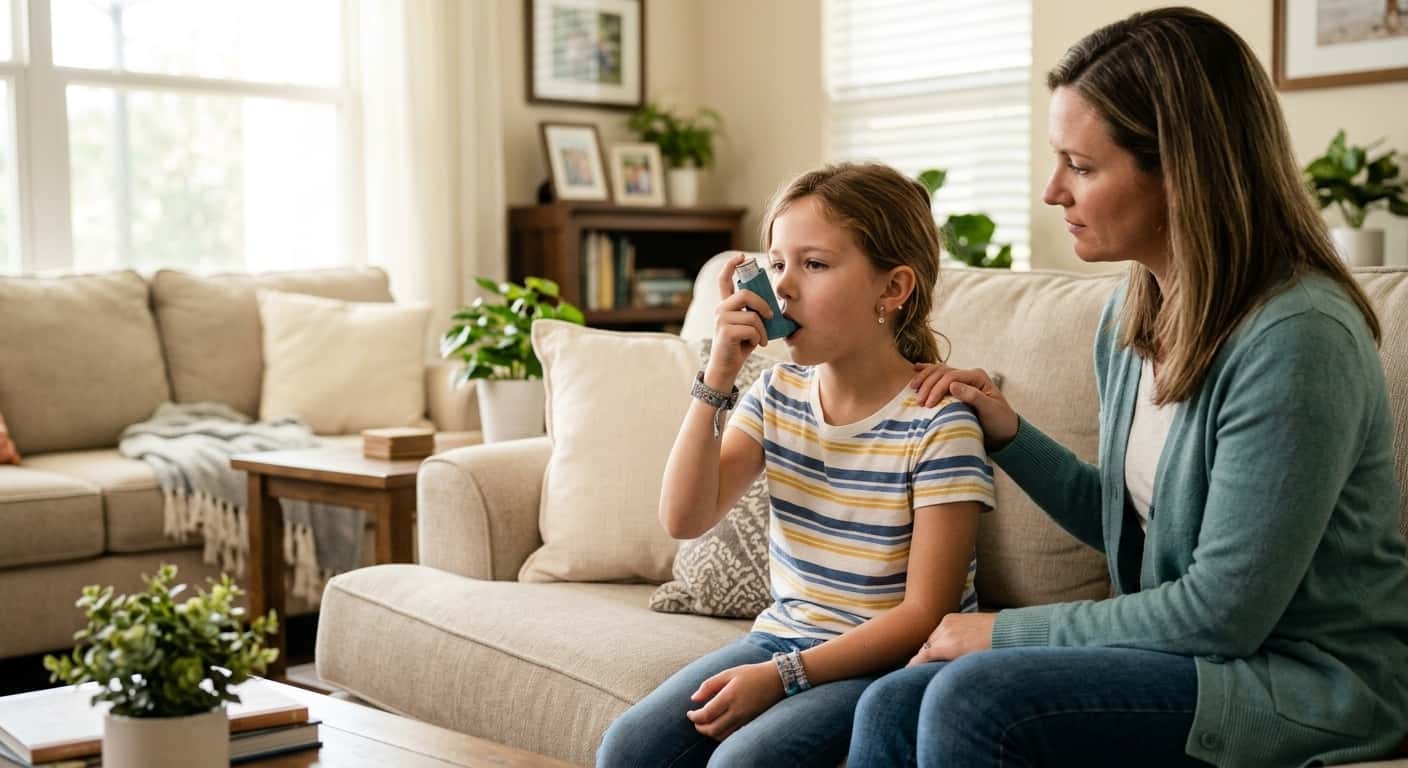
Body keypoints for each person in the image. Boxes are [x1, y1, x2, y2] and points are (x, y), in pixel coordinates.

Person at [847, 7, 1408, 767]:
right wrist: (1007, 433)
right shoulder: (1135, 307)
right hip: (1197, 659)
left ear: (1182, 173)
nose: (1052, 191)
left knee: (973, 697)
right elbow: (1133, 524)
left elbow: (1222, 614)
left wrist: (1000, 631)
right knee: (889, 701)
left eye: (1080, 166)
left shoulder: (1297, 337)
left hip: (1302, 682)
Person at [596, 162, 996, 766]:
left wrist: (782, 675)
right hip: (781, 636)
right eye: (777, 263)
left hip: (886, 660)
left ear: (893, 289)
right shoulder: (775, 395)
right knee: (628, 749)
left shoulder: (939, 423)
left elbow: (923, 616)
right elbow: (684, 517)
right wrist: (719, 375)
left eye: (814, 264)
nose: (783, 288)